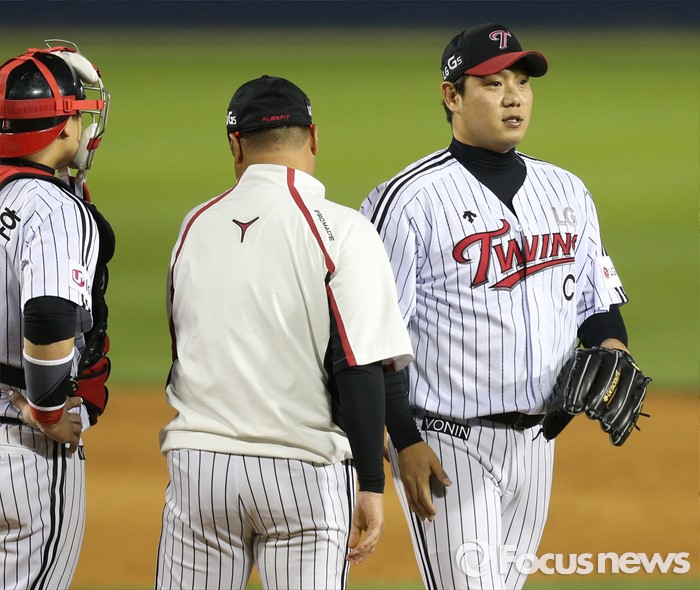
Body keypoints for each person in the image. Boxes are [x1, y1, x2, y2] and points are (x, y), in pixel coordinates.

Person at [361, 23, 636, 590]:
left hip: (538, 445)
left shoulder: (567, 190)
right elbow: (374, 336)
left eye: (522, 82)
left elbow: (598, 303)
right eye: (492, 83)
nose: (514, 97)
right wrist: (403, 439)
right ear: (452, 95)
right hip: (446, 444)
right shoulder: (408, 201)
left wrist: (614, 350)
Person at [156, 74, 413, 590]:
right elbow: (359, 366)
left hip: (200, 471)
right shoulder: (344, 230)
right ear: (313, 137)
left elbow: (183, 344)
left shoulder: (193, 226)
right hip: (303, 474)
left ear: (236, 145)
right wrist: (370, 482)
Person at [0, 41, 114, 589]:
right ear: (64, 125)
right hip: (21, 449)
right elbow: (48, 315)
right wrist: (46, 411)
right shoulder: (53, 209)